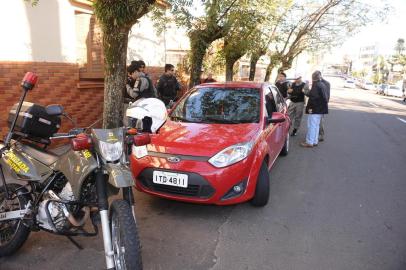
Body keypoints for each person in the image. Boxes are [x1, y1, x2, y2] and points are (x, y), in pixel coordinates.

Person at [301, 71, 328, 148]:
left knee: (311, 125)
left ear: (313, 77)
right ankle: (314, 141)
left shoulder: (316, 85)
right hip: (320, 109)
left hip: (315, 109)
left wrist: (310, 109)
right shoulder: (322, 84)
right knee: (316, 125)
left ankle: (309, 142)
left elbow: (313, 98)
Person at [317, 71, 330, 142]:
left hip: (321, 105)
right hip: (316, 105)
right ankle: (316, 134)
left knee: (320, 121)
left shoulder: (326, 83)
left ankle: (321, 135)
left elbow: (327, 96)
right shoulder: (316, 82)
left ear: (320, 75)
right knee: (316, 121)